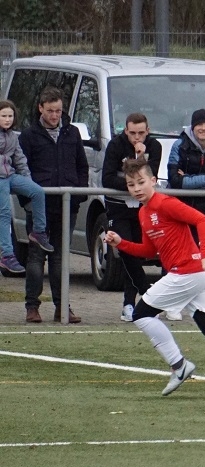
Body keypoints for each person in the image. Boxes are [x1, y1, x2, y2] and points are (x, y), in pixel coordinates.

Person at [103, 158, 205, 400]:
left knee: (140, 314)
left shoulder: (165, 203)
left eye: (141, 182)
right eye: (131, 185)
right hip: (194, 275)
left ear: (153, 181)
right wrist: (121, 243)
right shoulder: (144, 213)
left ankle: (178, 365)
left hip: (189, 272)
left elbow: (201, 220)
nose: (137, 188)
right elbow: (150, 252)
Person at [18, 86, 88, 324]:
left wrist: (78, 196)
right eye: (50, 111)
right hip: (38, 207)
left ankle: (62, 306)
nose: (55, 115)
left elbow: (81, 165)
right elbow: (21, 170)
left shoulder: (72, 133)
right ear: (41, 108)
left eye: (58, 111)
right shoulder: (28, 136)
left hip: (66, 206)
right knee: (36, 258)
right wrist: (28, 200)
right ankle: (32, 307)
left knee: (60, 258)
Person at [166, 108, 205, 321]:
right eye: (199, 125)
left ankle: (199, 304)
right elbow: (175, 181)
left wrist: (191, 180)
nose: (203, 129)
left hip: (201, 212)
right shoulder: (179, 145)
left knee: (199, 258)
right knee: (176, 257)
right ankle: (171, 304)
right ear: (192, 127)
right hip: (178, 210)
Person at [101, 112, 163, 322]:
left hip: (142, 209)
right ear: (125, 130)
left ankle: (131, 303)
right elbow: (107, 178)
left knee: (137, 252)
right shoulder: (115, 146)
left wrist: (141, 158)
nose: (137, 137)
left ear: (148, 131)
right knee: (126, 251)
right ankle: (145, 292)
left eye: (141, 133)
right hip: (118, 208)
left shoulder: (154, 147)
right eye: (132, 133)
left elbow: (150, 177)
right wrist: (133, 187)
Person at [0, 99, 53, 277]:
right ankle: (7, 255)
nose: (7, 119)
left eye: (10, 116)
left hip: (10, 175)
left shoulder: (13, 136)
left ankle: (38, 232)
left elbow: (20, 159)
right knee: (5, 213)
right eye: (3, 116)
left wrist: (28, 184)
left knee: (38, 192)